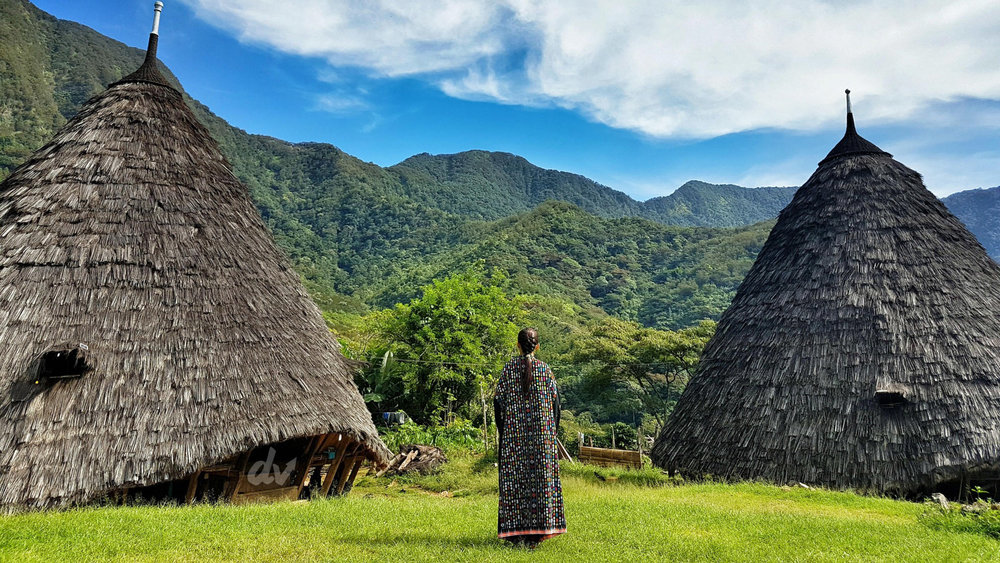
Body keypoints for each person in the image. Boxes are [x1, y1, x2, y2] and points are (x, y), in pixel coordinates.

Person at [494, 327, 566, 548]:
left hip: (513, 439)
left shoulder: (508, 370)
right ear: (538, 346)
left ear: (517, 345)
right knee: (541, 484)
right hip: (542, 441)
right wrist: (550, 433)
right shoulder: (545, 371)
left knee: (514, 484)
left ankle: (515, 535)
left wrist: (504, 431)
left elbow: (498, 404)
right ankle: (537, 534)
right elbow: (556, 406)